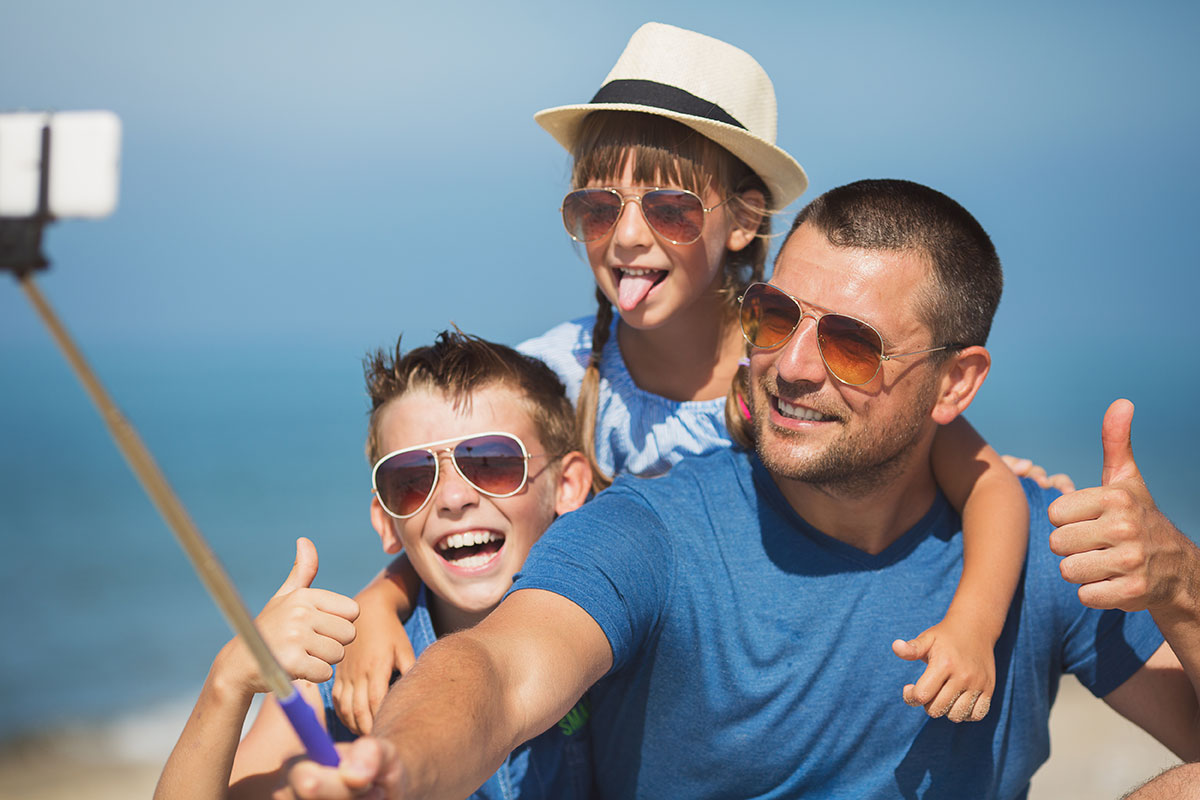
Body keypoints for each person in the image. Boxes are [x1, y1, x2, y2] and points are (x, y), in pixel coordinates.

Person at [287, 180, 1200, 799]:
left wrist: (1183, 587)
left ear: (957, 386)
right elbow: (496, 668)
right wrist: (398, 764)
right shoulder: (655, 530)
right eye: (772, 318)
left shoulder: (1044, 544)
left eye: (848, 344)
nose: (792, 368)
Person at [334, 20, 1032, 737]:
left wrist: (973, 626)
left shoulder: (789, 374)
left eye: (670, 208)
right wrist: (383, 600)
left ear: (746, 217)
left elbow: (988, 484)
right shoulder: (553, 374)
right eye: (598, 208)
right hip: (578, 713)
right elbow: (457, 506)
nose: (629, 235)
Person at [155, 330, 593, 799]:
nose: (453, 497)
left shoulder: (613, 615)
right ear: (386, 521)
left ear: (567, 485)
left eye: (489, 461)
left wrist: (385, 590)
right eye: (412, 478)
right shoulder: (342, 679)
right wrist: (229, 680)